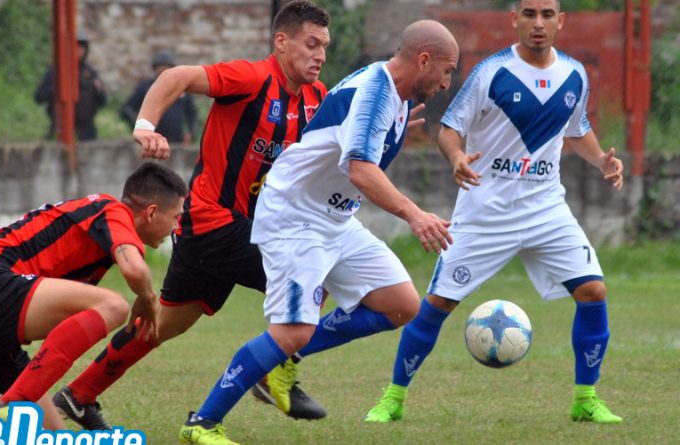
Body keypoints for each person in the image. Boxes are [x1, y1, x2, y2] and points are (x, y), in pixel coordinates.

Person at [52, 0, 331, 431]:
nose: (320, 55)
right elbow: (175, 77)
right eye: (311, 44)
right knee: (311, 278)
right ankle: (269, 373)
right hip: (212, 221)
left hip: (236, 228)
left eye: (325, 47)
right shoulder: (252, 78)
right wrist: (146, 125)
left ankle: (78, 395)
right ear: (281, 42)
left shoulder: (316, 98)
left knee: (163, 324)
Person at [178, 20, 459, 445]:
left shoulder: (395, 97)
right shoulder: (374, 94)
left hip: (335, 219)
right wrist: (414, 214)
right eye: (447, 70)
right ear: (423, 60)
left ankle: (281, 361)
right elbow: (361, 171)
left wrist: (391, 127)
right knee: (291, 331)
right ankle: (202, 423)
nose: (447, 82)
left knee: (401, 305)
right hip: (295, 218)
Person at [364, 0, 624, 425]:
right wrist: (457, 157)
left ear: (560, 21)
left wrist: (602, 161)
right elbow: (449, 128)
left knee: (593, 291)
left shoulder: (574, 73)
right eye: (529, 14)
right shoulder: (491, 72)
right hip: (486, 211)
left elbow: (577, 129)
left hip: (546, 208)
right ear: (514, 19)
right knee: (438, 303)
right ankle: (392, 399)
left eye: (547, 14)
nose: (538, 23)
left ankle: (586, 399)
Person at [0, 161, 187, 429]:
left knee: (51, 435)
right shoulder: (112, 210)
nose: (177, 227)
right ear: (151, 212)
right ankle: (12, 402)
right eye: (176, 217)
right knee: (114, 306)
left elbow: (14, 308)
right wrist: (147, 299)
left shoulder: (93, 241)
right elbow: (135, 270)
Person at [34, 31, 107, 141]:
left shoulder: (90, 73)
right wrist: (59, 87)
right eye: (75, 47)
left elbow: (103, 101)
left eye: (81, 47)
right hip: (62, 127)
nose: (78, 51)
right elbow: (39, 97)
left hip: (86, 131)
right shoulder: (56, 71)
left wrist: (98, 91)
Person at [120, 51, 198, 143]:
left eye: (167, 67)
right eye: (161, 67)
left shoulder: (180, 88)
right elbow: (127, 109)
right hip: (152, 141)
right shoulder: (145, 87)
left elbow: (192, 113)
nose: (164, 70)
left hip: (177, 141)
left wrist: (192, 133)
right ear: (155, 69)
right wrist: (140, 128)